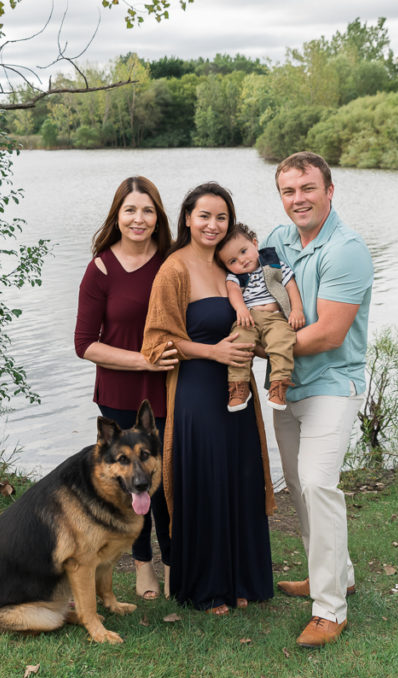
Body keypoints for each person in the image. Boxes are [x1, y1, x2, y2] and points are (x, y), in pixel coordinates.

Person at [141, 182, 276, 615]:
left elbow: (255, 319)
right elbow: (157, 343)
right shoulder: (174, 269)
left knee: (240, 476)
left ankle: (242, 580)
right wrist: (213, 350)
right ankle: (206, 586)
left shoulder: (232, 267)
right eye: (204, 216)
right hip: (197, 391)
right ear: (186, 219)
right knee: (208, 480)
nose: (213, 225)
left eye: (221, 217)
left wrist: (262, 344)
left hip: (240, 390)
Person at [262, 152, 374, 649]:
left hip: (332, 384)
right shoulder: (276, 241)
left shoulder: (346, 249)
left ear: (330, 191)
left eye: (307, 188)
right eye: (289, 191)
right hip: (287, 386)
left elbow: (329, 334)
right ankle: (334, 574)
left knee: (317, 484)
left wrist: (257, 348)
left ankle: (330, 609)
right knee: (300, 492)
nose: (298, 199)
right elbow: (255, 296)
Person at [74, 176, 178, 601]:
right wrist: (142, 360)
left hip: (170, 391)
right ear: (117, 215)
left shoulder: (172, 262)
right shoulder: (101, 268)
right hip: (117, 395)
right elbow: (84, 344)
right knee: (128, 484)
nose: (139, 218)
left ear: (159, 217)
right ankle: (141, 564)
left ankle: (174, 563)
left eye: (148, 210)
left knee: (168, 484)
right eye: (131, 210)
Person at [215, 222, 305, 412]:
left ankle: (279, 385)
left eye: (243, 251)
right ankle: (239, 387)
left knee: (282, 341)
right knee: (238, 342)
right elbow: (233, 292)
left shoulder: (273, 263)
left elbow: (290, 285)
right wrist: (241, 310)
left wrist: (297, 309)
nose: (241, 260)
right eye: (232, 261)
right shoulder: (235, 277)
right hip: (249, 318)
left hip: (275, 317)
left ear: (255, 243)